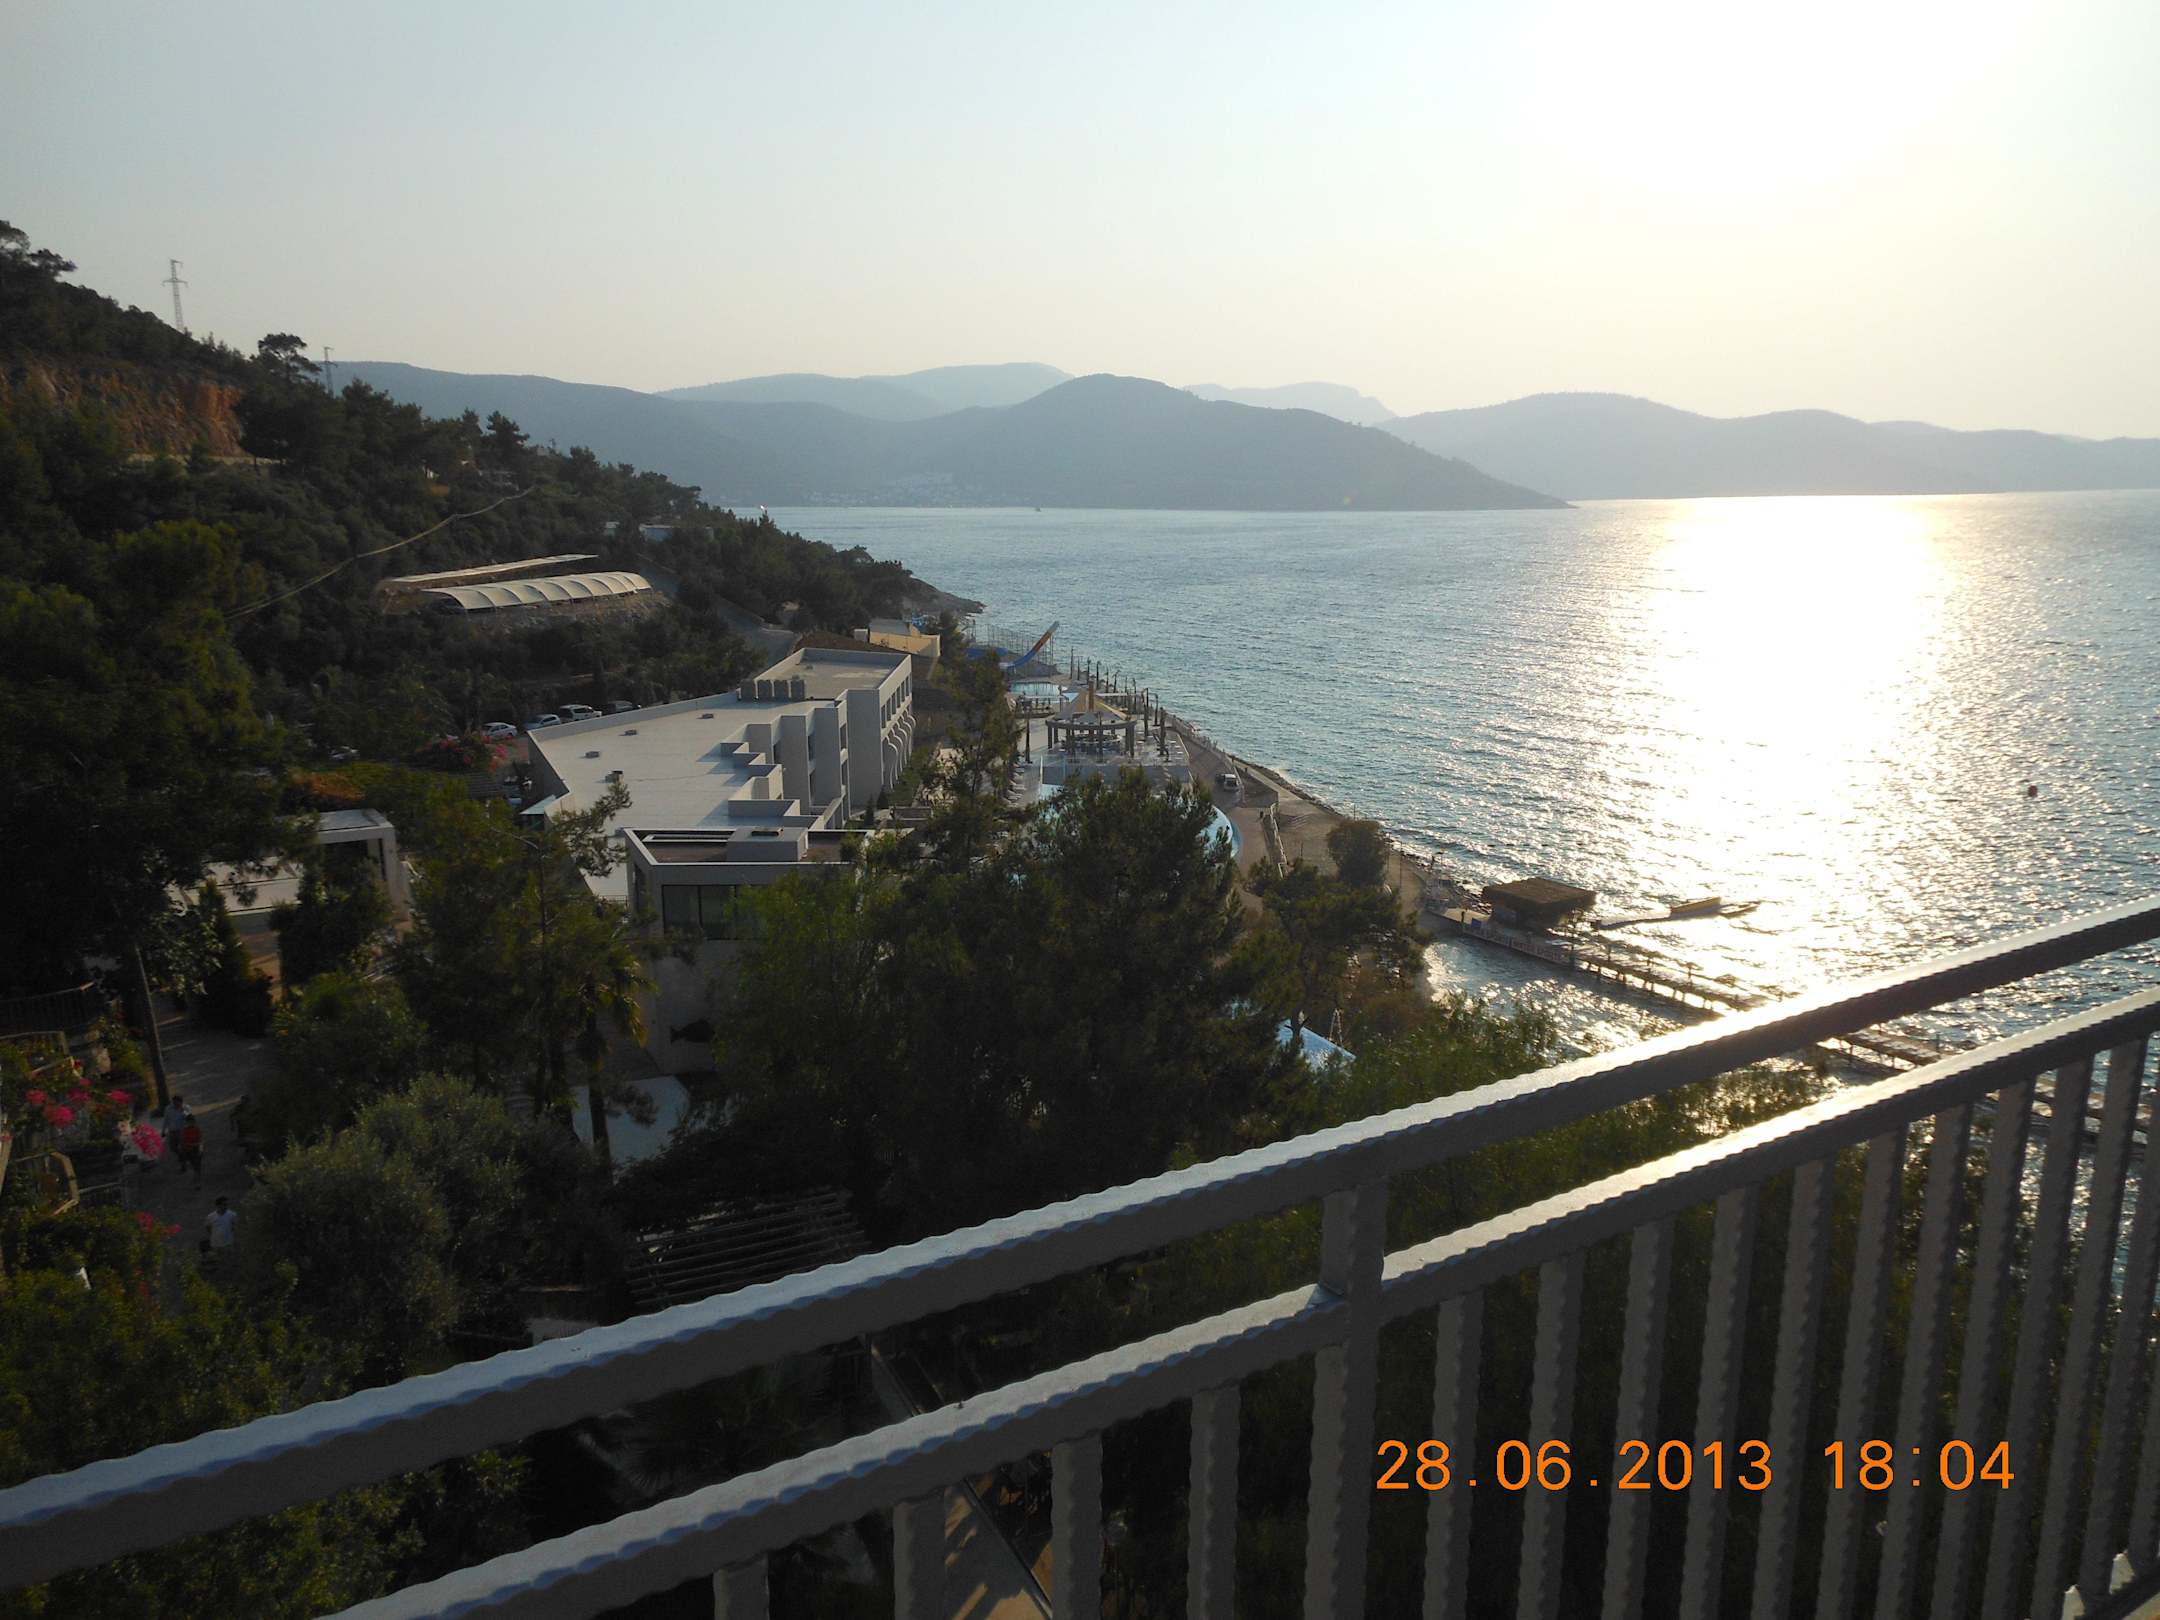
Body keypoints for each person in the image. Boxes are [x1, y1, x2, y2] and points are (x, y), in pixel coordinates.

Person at [176, 1117, 205, 1185]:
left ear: (194, 1122)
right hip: (189, 1151)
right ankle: (197, 1180)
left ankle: (197, 1180)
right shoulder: (185, 1131)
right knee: (195, 1165)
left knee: (197, 1165)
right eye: (189, 1122)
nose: (191, 1123)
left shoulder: (197, 1129)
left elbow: (201, 1140)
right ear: (186, 1122)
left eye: (192, 1122)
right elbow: (183, 1142)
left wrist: (201, 1150)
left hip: (196, 1149)